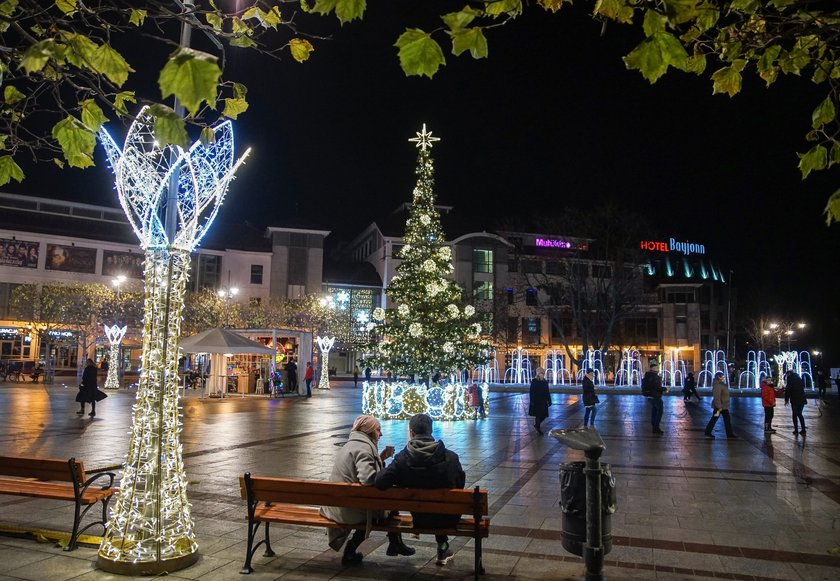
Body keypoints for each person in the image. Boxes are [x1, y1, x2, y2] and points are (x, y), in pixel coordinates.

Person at [320, 415, 414, 565]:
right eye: (378, 430)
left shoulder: (351, 445)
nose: (380, 434)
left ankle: (394, 543)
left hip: (338, 503)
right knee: (389, 507)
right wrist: (388, 472)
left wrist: (380, 457)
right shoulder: (363, 449)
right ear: (369, 431)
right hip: (348, 510)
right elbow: (368, 479)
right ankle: (354, 550)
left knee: (387, 507)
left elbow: (360, 470)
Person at [374, 413, 465, 567]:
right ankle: (443, 546)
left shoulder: (402, 459)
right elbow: (460, 484)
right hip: (449, 518)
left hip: (419, 518)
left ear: (411, 433)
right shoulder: (451, 458)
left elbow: (380, 482)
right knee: (440, 505)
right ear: (431, 432)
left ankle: (396, 541)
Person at [705, 371, 735, 439]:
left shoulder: (721, 385)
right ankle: (707, 432)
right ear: (719, 377)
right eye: (723, 377)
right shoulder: (718, 385)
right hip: (719, 407)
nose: (724, 378)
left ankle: (730, 434)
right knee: (714, 419)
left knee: (727, 420)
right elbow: (716, 397)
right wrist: (719, 407)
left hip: (724, 407)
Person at [642, 361, 666, 434]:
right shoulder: (655, 376)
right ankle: (656, 427)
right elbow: (656, 387)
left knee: (654, 411)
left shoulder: (647, 375)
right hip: (655, 396)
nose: (659, 369)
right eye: (657, 368)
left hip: (649, 396)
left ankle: (654, 426)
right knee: (660, 411)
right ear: (655, 369)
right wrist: (665, 389)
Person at [528, 367, 551, 435]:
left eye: (543, 373)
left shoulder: (544, 381)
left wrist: (549, 400)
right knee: (538, 415)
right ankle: (538, 428)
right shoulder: (534, 381)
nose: (543, 374)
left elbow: (547, 391)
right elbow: (531, 391)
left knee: (544, 415)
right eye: (541, 373)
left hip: (543, 401)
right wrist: (532, 401)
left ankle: (537, 425)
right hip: (536, 401)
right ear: (538, 373)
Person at [785, 370, 807, 436]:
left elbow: (788, 389)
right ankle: (803, 429)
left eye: (787, 375)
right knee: (800, 414)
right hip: (802, 398)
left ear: (789, 374)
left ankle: (796, 430)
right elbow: (803, 386)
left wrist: (786, 399)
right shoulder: (799, 378)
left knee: (794, 414)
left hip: (795, 399)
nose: (786, 376)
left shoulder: (790, 378)